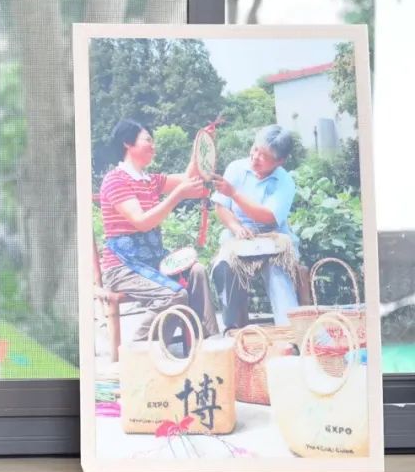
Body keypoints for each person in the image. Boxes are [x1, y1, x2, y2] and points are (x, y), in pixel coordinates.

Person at [98, 119, 220, 343]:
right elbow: (142, 222)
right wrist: (177, 196)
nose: (153, 146)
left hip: (153, 262)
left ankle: (205, 341)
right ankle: (140, 350)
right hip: (122, 268)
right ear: (127, 143)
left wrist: (202, 145)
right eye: (148, 140)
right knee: (174, 295)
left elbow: (189, 178)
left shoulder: (150, 180)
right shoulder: (115, 180)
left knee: (197, 271)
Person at [211, 125, 300, 330]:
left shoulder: (285, 181)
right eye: (255, 149)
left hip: (273, 238)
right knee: (225, 266)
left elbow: (268, 216)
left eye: (264, 155)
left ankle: (290, 332)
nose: (255, 157)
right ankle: (231, 327)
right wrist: (236, 227)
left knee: (278, 272)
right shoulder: (236, 168)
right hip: (239, 236)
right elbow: (221, 206)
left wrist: (234, 194)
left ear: (279, 161)